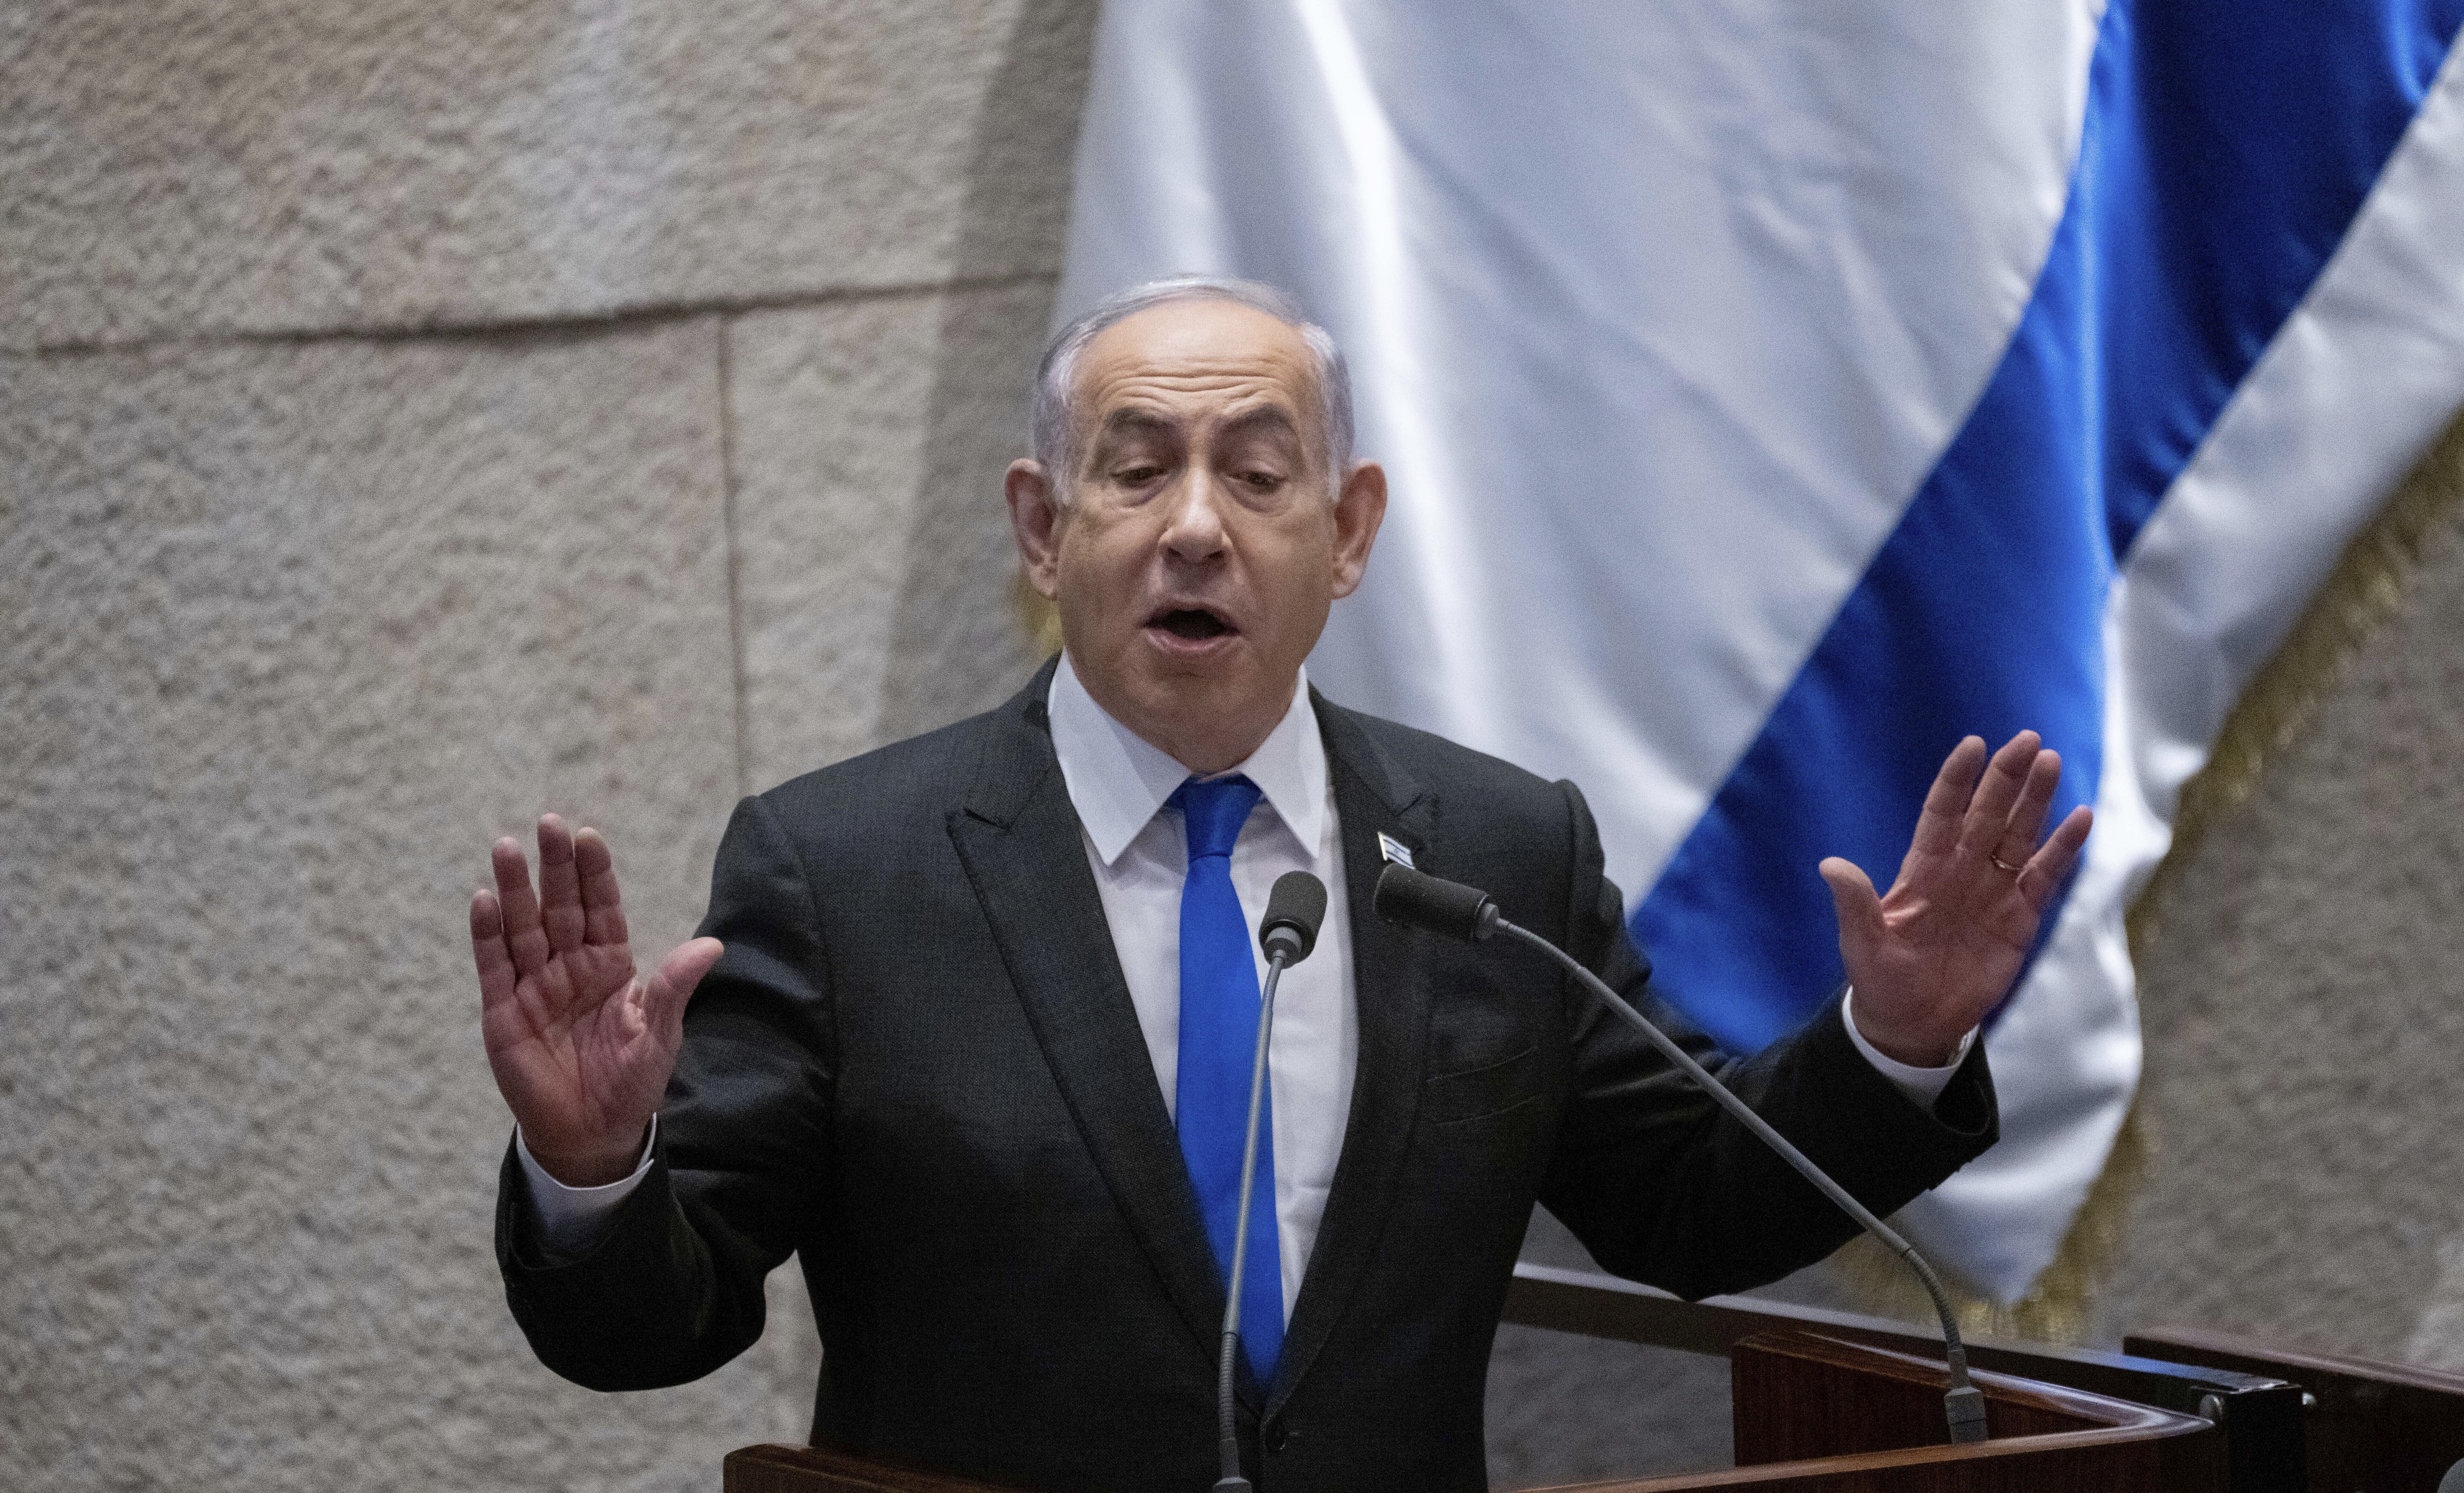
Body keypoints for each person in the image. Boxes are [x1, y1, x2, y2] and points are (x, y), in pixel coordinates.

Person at [472, 278, 2091, 1493]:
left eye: (1257, 474)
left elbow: (1685, 1201)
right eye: (1135, 473)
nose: (1194, 529)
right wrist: (592, 1165)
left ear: (1350, 528)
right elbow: (648, 1331)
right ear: (1042, 530)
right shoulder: (847, 872)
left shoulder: (1494, 851)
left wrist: (1894, 1044)